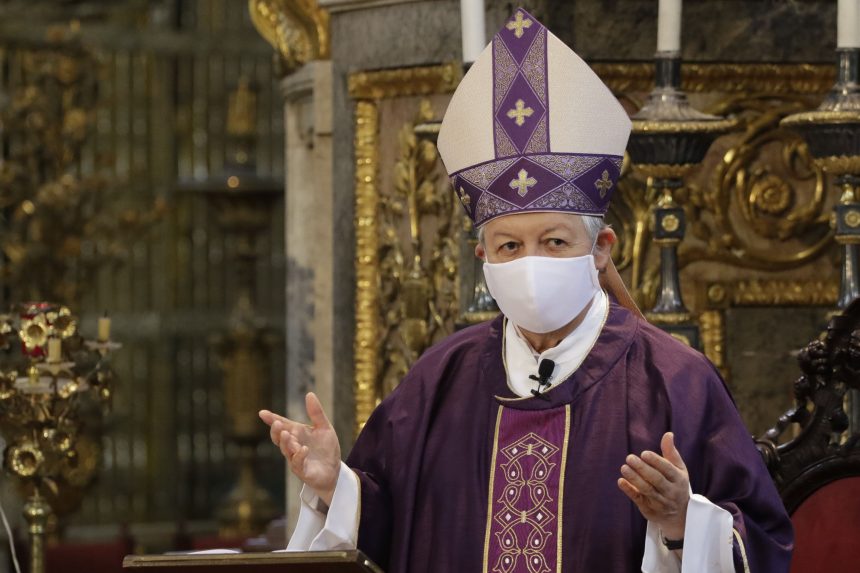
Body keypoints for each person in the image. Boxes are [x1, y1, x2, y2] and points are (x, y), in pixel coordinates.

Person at [259, 8, 793, 572]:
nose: (532, 262)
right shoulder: (442, 379)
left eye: (556, 242)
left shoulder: (674, 381)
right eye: (510, 247)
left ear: (602, 247)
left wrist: (685, 522)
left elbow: (761, 539)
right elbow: (395, 527)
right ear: (482, 258)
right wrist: (333, 487)